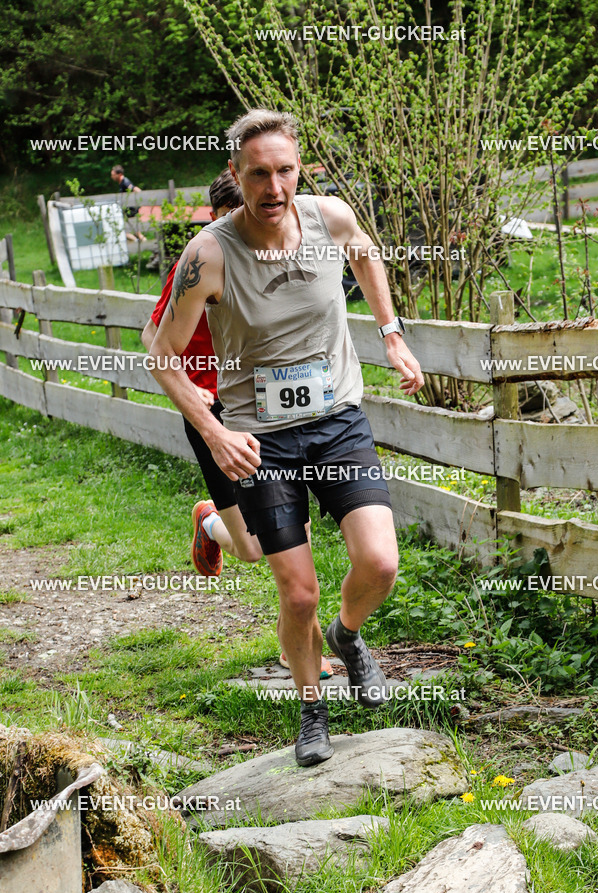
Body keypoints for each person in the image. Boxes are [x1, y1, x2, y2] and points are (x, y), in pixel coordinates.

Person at [147, 109, 424, 767]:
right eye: (258, 175)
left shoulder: (329, 218)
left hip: (335, 421)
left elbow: (366, 253)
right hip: (258, 437)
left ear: (300, 168)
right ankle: (310, 711)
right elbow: (161, 353)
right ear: (237, 176)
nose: (274, 188)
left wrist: (390, 332)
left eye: (285, 171)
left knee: (380, 562)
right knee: (296, 590)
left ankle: (348, 635)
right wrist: (213, 433)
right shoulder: (208, 255)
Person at [140, 167, 332, 679]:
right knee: (250, 549)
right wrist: (195, 395)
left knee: (292, 543)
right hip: (211, 417)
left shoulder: (271, 256)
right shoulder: (199, 262)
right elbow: (151, 337)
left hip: (262, 414)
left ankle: (309, 654)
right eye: (228, 224)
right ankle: (211, 519)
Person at [110, 164, 145, 242]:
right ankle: (140, 243)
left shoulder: (125, 182)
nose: (112, 177)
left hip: (131, 210)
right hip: (128, 211)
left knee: (125, 232)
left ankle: (139, 243)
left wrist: (143, 198)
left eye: (113, 175)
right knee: (136, 233)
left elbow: (134, 188)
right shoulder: (122, 183)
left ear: (119, 174)